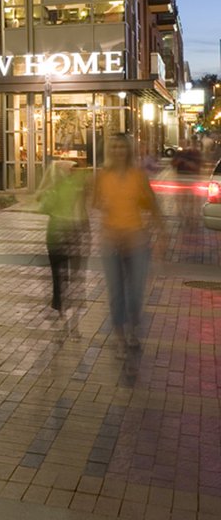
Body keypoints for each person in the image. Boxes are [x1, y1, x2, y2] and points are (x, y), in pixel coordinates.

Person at [92, 133, 163, 358]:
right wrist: (101, 204)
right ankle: (120, 338)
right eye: (114, 147)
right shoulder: (102, 176)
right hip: (111, 240)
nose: (118, 151)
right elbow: (94, 202)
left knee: (135, 293)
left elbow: (151, 204)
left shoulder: (138, 176)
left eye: (122, 147)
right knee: (115, 292)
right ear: (109, 151)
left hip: (136, 240)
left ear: (128, 150)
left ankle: (133, 329)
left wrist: (162, 233)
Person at [37, 159, 88, 338]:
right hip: (57, 235)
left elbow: (81, 210)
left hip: (69, 234)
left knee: (71, 277)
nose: (72, 172)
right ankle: (62, 314)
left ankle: (68, 316)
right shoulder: (55, 185)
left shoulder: (75, 186)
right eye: (70, 169)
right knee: (60, 276)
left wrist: (85, 233)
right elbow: (41, 200)